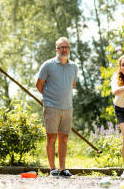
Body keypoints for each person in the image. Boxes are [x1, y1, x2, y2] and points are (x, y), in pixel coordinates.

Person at [36, 37, 78, 178]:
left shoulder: (74, 67)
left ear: (69, 49)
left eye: (66, 47)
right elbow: (39, 85)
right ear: (56, 50)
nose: (64, 50)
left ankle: (62, 168)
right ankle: (52, 168)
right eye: (61, 47)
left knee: (64, 138)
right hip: (51, 107)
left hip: (67, 108)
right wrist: (49, 99)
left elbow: (72, 85)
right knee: (51, 137)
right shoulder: (48, 65)